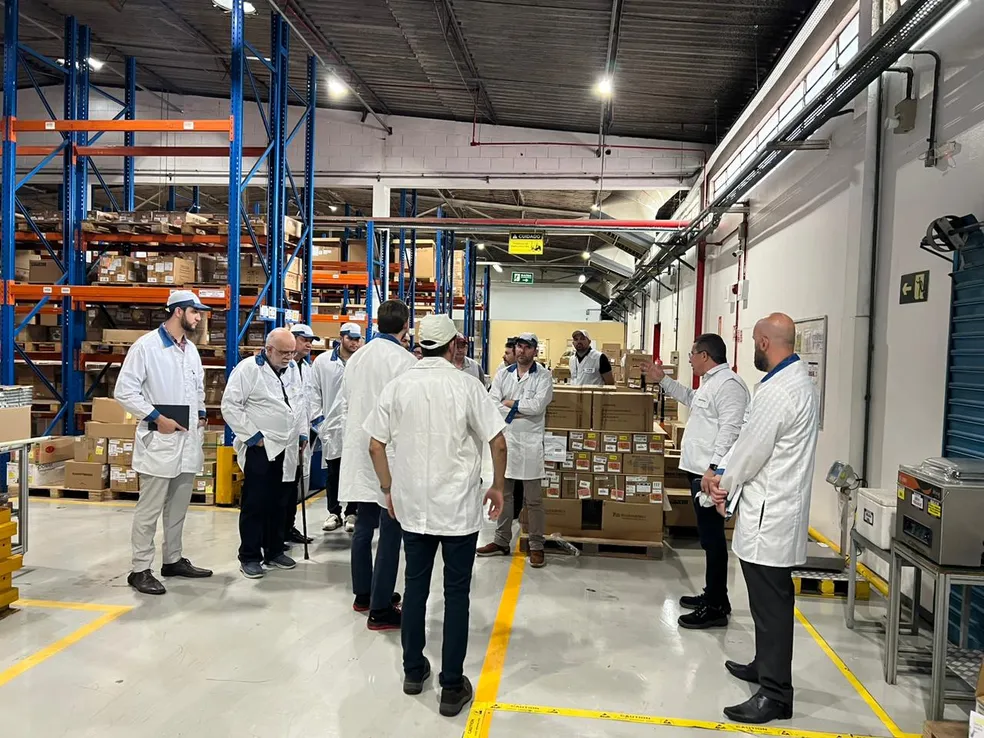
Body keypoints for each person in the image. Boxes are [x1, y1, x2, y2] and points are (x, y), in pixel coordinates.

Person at [364, 314, 508, 717]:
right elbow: (497, 441)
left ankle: (413, 672)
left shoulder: (399, 386)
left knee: (415, 588)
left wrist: (389, 489)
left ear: (420, 344)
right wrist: (497, 486)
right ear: (452, 345)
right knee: (456, 594)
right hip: (457, 508)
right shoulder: (466, 386)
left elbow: (375, 445)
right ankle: (451, 686)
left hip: (413, 508)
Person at [706, 313, 819, 725]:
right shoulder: (793, 381)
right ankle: (764, 666)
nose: (753, 348)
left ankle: (775, 694)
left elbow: (751, 449)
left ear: (765, 343)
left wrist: (720, 481)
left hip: (772, 515)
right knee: (764, 604)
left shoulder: (779, 391)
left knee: (771, 606)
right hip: (773, 509)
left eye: (754, 341)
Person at [644, 334, 748, 630]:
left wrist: (714, 468)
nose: (689, 359)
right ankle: (715, 596)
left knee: (713, 540)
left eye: (692, 354)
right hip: (700, 472)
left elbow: (731, 428)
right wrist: (663, 380)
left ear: (705, 355)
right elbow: (691, 399)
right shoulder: (711, 383)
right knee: (708, 537)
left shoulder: (729, 385)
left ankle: (715, 607)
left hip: (709, 475)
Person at [115, 290, 214, 595]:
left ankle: (173, 559)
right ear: (178, 311)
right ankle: (140, 569)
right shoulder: (146, 347)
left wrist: (201, 413)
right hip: (159, 439)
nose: (199, 318)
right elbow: (124, 391)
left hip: (187, 440)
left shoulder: (191, 350)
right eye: (195, 312)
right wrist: (158, 418)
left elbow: (197, 389)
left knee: (178, 508)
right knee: (150, 510)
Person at [338, 299, 417, 630]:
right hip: (388, 453)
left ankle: (364, 594)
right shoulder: (406, 361)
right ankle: (381, 608)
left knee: (363, 525)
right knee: (390, 531)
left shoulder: (357, 357)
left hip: (360, 449)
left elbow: (346, 398)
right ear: (406, 327)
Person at [222, 328, 308, 579]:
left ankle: (274, 550)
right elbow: (230, 405)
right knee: (256, 503)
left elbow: (299, 402)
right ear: (268, 349)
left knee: (281, 502)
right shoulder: (248, 369)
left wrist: (303, 433)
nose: (289, 357)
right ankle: (249, 556)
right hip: (261, 448)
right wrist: (253, 437)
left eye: (292, 352)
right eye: (284, 352)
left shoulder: (292, 369)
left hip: (288, 448)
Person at [478, 333, 553, 568]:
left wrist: (509, 403)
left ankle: (537, 545)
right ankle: (501, 541)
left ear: (535, 351)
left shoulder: (544, 376)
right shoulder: (503, 374)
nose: (522, 350)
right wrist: (518, 411)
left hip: (530, 443)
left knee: (533, 500)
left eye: (527, 347)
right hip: (507, 440)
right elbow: (492, 403)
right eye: (519, 346)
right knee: (505, 494)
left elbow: (538, 406)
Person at [311, 323, 362, 533]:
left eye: (358, 339)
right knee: (333, 472)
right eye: (350, 338)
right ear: (341, 337)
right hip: (331, 427)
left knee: (355, 471)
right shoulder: (323, 362)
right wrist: (319, 422)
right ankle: (334, 512)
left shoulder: (363, 361)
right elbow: (313, 391)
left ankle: (352, 512)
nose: (354, 343)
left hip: (356, 425)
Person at [285, 323, 319, 547]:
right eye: (304, 340)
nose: (308, 345)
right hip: (286, 437)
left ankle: (289, 527)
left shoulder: (306, 368)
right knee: (282, 490)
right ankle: (277, 532)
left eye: (310, 341)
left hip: (302, 436)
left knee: (294, 487)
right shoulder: (283, 367)